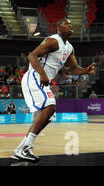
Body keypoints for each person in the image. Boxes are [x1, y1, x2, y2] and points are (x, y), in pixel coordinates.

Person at [12, 19, 95, 162]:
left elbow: (74, 69)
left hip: (43, 81)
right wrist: (43, 74)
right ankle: (26, 148)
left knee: (47, 116)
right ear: (58, 28)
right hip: (35, 77)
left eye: (71, 23)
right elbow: (32, 55)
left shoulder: (69, 48)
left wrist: (85, 71)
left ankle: (21, 148)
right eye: (66, 23)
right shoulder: (53, 41)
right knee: (50, 105)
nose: (70, 25)